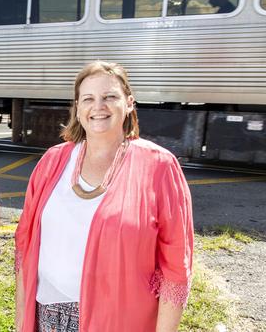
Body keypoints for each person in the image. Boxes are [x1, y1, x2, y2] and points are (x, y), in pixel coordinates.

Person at [15, 61, 193, 332]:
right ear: (78, 107)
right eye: (88, 98)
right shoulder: (52, 161)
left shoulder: (159, 166)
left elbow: (175, 267)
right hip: (47, 316)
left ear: (129, 103)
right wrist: (20, 323)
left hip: (118, 321)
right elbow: (25, 247)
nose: (98, 106)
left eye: (110, 96)